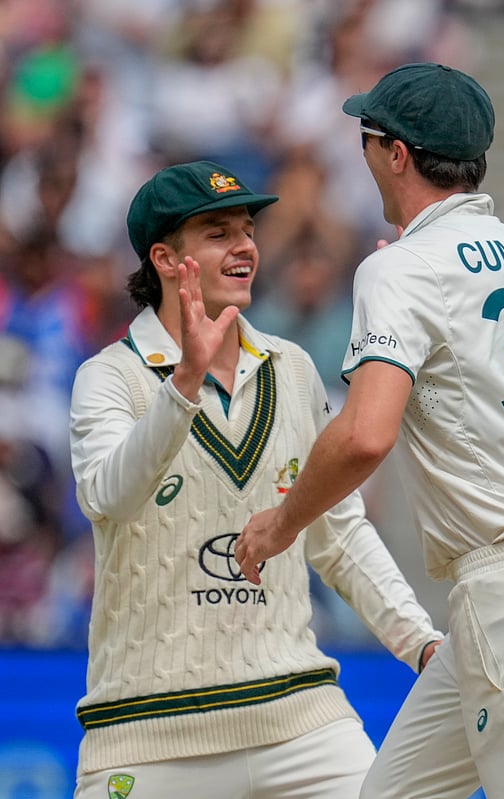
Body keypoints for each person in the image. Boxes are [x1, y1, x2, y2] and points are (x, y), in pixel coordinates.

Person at [234, 63, 504, 799]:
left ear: (397, 153)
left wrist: (280, 524)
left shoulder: (401, 270)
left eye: (368, 136)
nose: (362, 152)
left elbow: (367, 433)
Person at [68, 160, 442, 798]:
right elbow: (109, 495)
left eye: (247, 229)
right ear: (164, 257)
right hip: (148, 733)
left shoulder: (293, 369)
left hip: (301, 722)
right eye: (217, 233)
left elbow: (339, 534)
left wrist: (423, 646)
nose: (244, 246)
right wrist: (182, 384)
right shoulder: (110, 378)